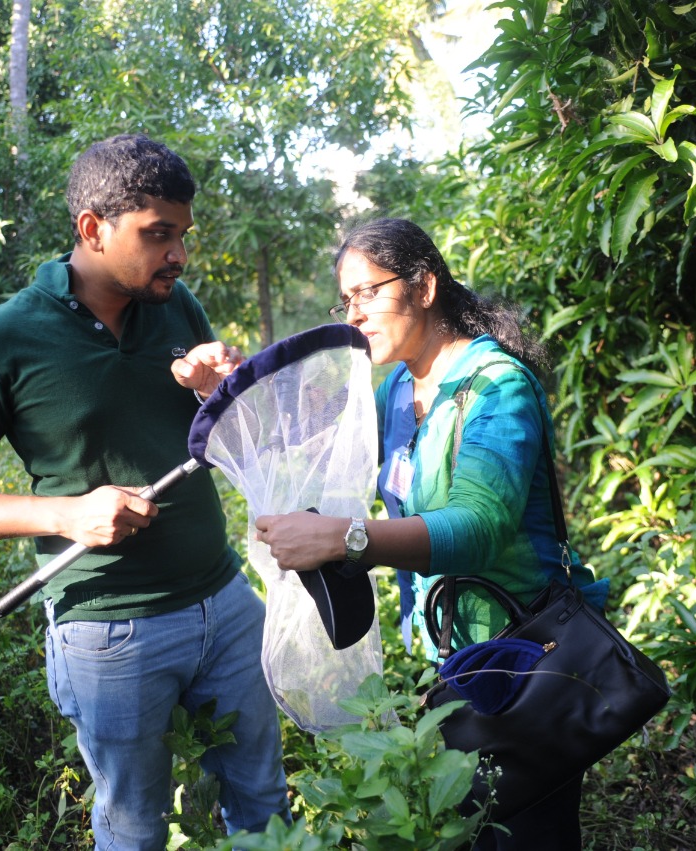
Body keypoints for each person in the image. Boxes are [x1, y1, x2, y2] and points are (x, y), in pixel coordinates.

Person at [0, 134, 290, 851]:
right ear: (92, 227)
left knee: (264, 801)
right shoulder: (1, 342)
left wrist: (213, 390)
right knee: (132, 824)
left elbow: (225, 433)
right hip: (110, 631)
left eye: (181, 235)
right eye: (158, 234)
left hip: (227, 602)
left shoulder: (178, 308)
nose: (178, 255)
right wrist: (69, 514)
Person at [253, 217, 605, 850]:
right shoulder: (398, 393)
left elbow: (479, 525)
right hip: (446, 661)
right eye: (346, 299)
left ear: (423, 286)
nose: (354, 314)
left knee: (527, 832)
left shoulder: (495, 387)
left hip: (522, 653)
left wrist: (345, 539)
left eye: (368, 292)